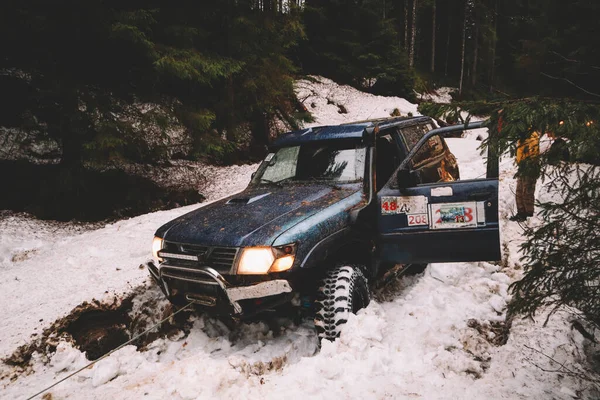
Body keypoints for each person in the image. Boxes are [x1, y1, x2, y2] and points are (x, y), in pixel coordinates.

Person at [510, 130, 540, 221]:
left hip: (529, 168)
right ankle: (521, 212)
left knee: (527, 191)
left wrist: (529, 164)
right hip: (522, 167)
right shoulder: (521, 137)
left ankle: (529, 214)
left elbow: (534, 153)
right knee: (519, 191)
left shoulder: (531, 137)